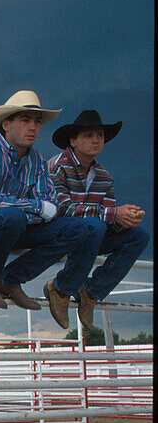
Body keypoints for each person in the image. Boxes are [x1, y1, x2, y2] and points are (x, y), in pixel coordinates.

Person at [0, 90, 95, 328]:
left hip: (17, 226)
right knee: (12, 215)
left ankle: (11, 279)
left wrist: (35, 210)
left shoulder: (37, 161)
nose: (33, 127)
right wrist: (36, 207)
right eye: (25, 120)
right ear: (6, 124)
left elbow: (53, 203)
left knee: (81, 228)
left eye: (37, 121)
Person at [47, 110, 150, 329]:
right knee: (94, 226)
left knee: (139, 235)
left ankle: (91, 292)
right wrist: (113, 214)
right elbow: (61, 209)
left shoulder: (104, 176)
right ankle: (61, 288)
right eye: (89, 135)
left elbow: (108, 215)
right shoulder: (57, 166)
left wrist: (125, 219)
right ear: (73, 140)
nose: (96, 139)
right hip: (56, 233)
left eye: (100, 135)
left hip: (90, 236)